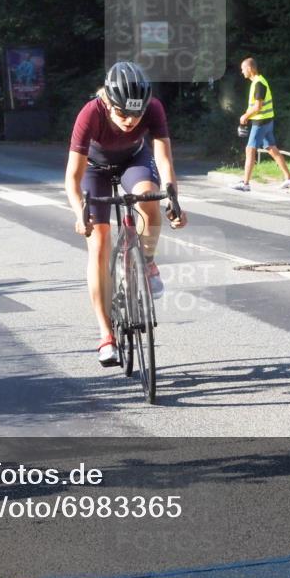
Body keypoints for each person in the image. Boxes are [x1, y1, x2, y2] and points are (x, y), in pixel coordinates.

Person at [65, 61, 187, 366]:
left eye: (137, 114)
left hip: (134, 159)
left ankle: (146, 262)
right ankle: (106, 334)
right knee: (100, 241)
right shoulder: (90, 113)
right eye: (122, 114)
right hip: (95, 169)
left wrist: (173, 199)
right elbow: (72, 177)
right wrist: (80, 214)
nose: (131, 121)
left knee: (149, 196)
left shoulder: (154, 108)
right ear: (107, 102)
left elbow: (163, 157)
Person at [231, 58, 290, 191]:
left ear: (250, 69)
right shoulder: (258, 82)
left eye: (243, 69)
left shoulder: (259, 83)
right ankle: (289, 178)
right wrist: (247, 116)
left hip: (260, 122)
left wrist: (245, 116)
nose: (242, 72)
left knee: (250, 149)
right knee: (272, 150)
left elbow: (258, 107)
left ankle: (245, 183)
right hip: (266, 121)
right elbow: (255, 106)